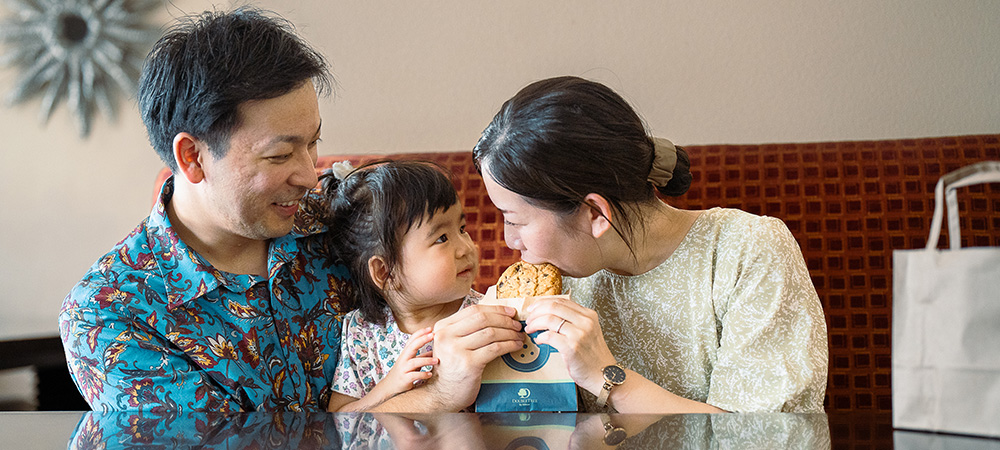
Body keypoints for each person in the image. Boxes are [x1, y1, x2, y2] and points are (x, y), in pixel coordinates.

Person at [472, 76, 829, 413]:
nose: (509, 241)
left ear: (595, 213)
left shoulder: (746, 250)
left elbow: (770, 436)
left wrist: (607, 376)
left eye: (515, 220)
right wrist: (457, 381)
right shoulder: (561, 280)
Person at [57, 7, 343, 412]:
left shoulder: (345, 222)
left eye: (313, 142)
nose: (310, 176)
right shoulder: (109, 315)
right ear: (192, 157)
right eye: (280, 155)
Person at [312, 160, 482, 412]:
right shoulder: (361, 333)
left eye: (462, 228)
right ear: (385, 272)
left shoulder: (482, 315)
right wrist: (387, 387)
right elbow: (338, 421)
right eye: (442, 238)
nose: (466, 248)